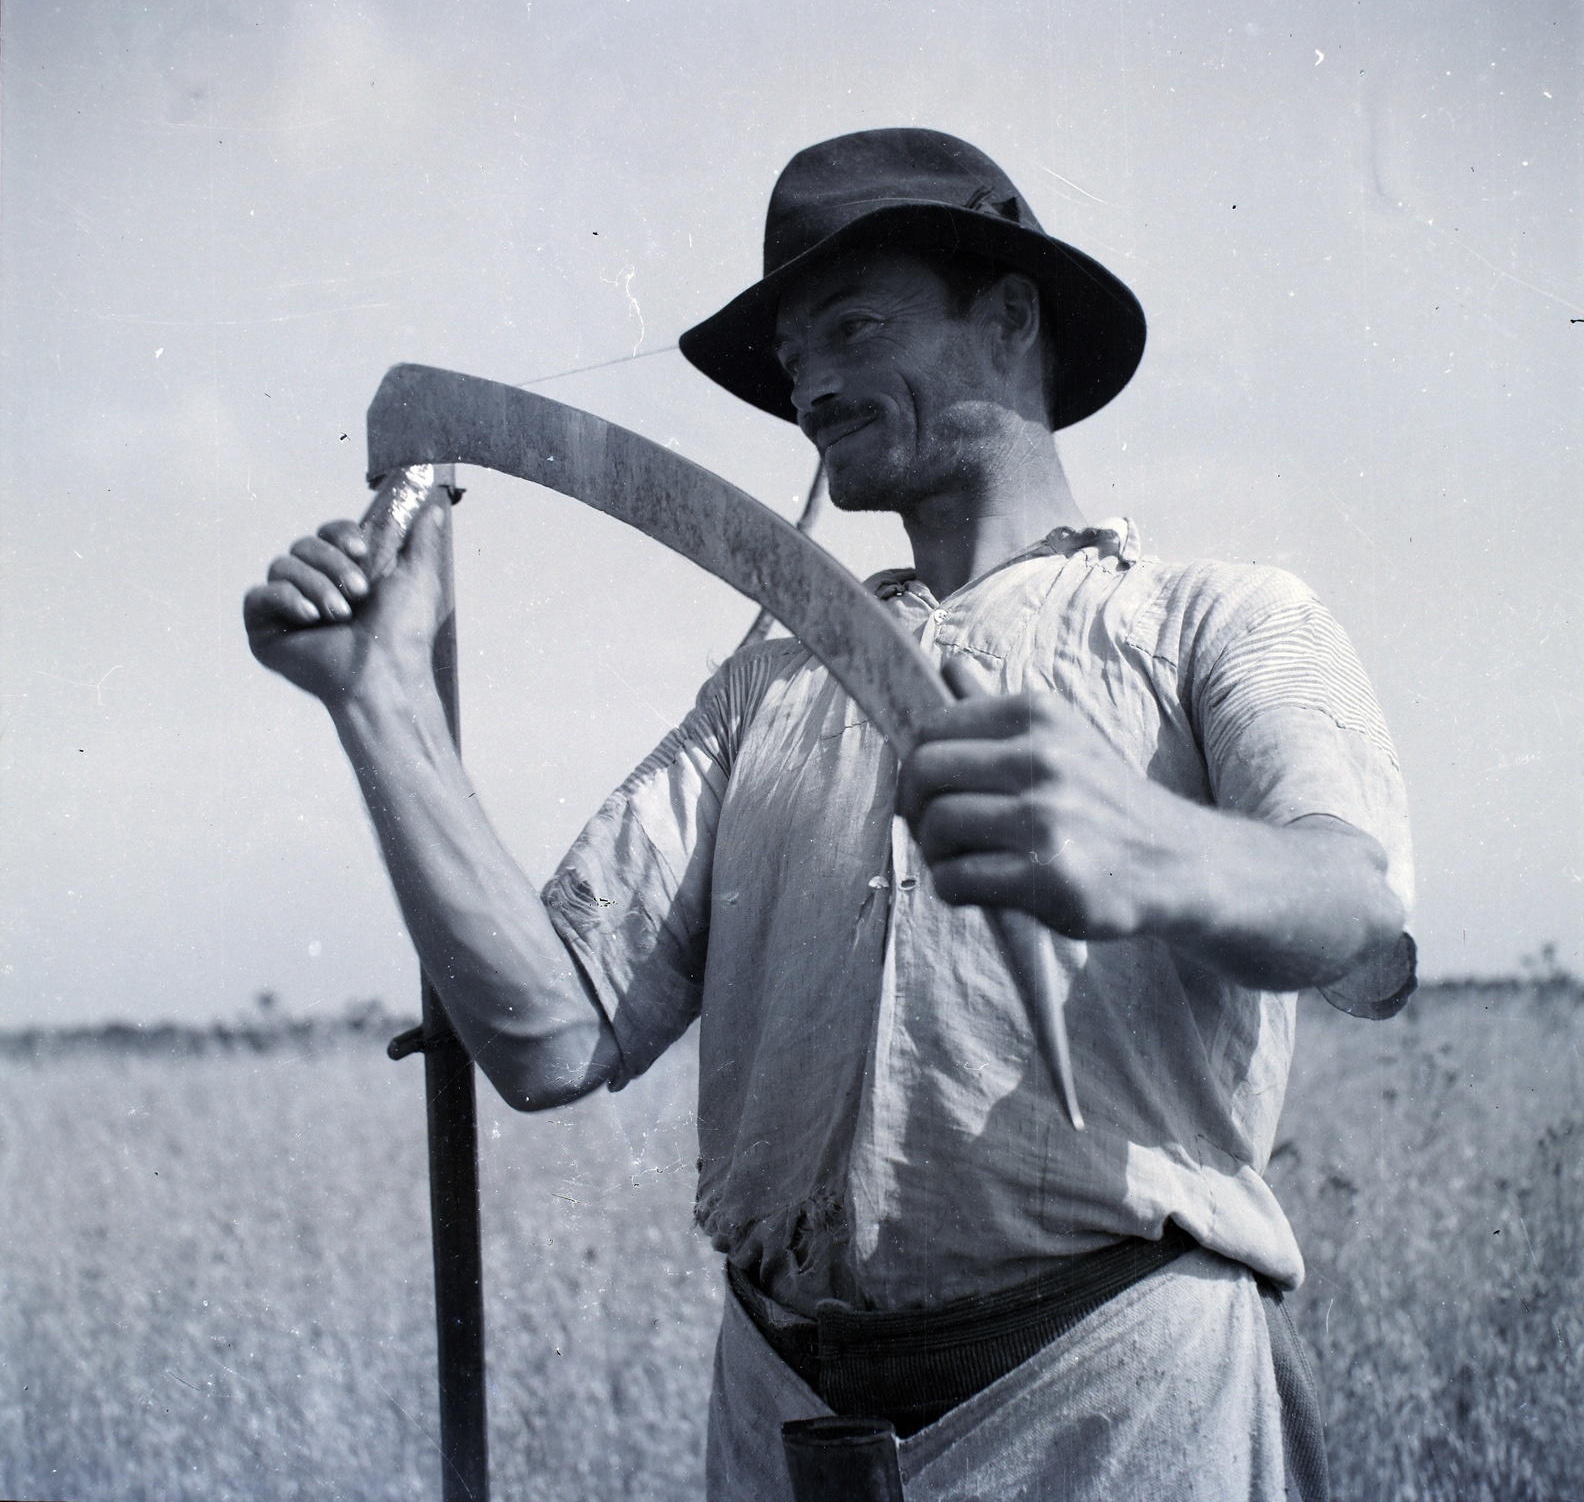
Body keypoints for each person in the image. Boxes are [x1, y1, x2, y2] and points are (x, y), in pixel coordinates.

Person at [245, 129, 1415, 1501]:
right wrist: (381, 703)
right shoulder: (766, 682)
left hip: (1114, 1406)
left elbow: (1359, 921)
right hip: (788, 1422)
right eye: (794, 358)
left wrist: (1150, 849)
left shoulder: (1211, 619)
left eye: (852, 326)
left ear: (1012, 317)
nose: (809, 386)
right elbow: (551, 1032)